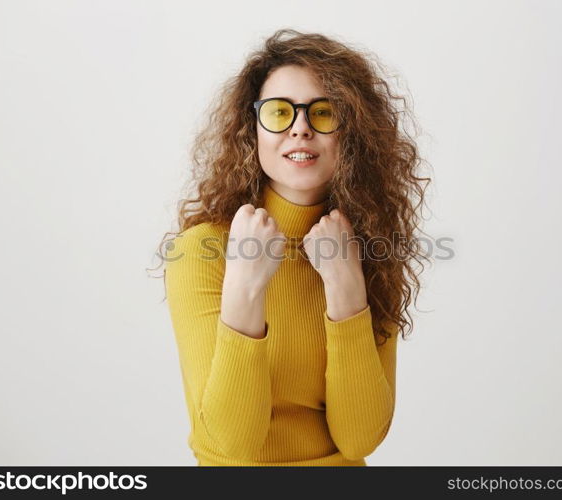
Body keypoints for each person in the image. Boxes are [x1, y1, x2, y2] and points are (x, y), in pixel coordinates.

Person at [158, 28, 430, 466]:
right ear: (253, 129)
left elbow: (360, 440)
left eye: (322, 113)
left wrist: (346, 288)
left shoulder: (371, 250)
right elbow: (232, 445)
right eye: (280, 112)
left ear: (352, 132)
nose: (300, 129)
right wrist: (246, 285)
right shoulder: (200, 251)